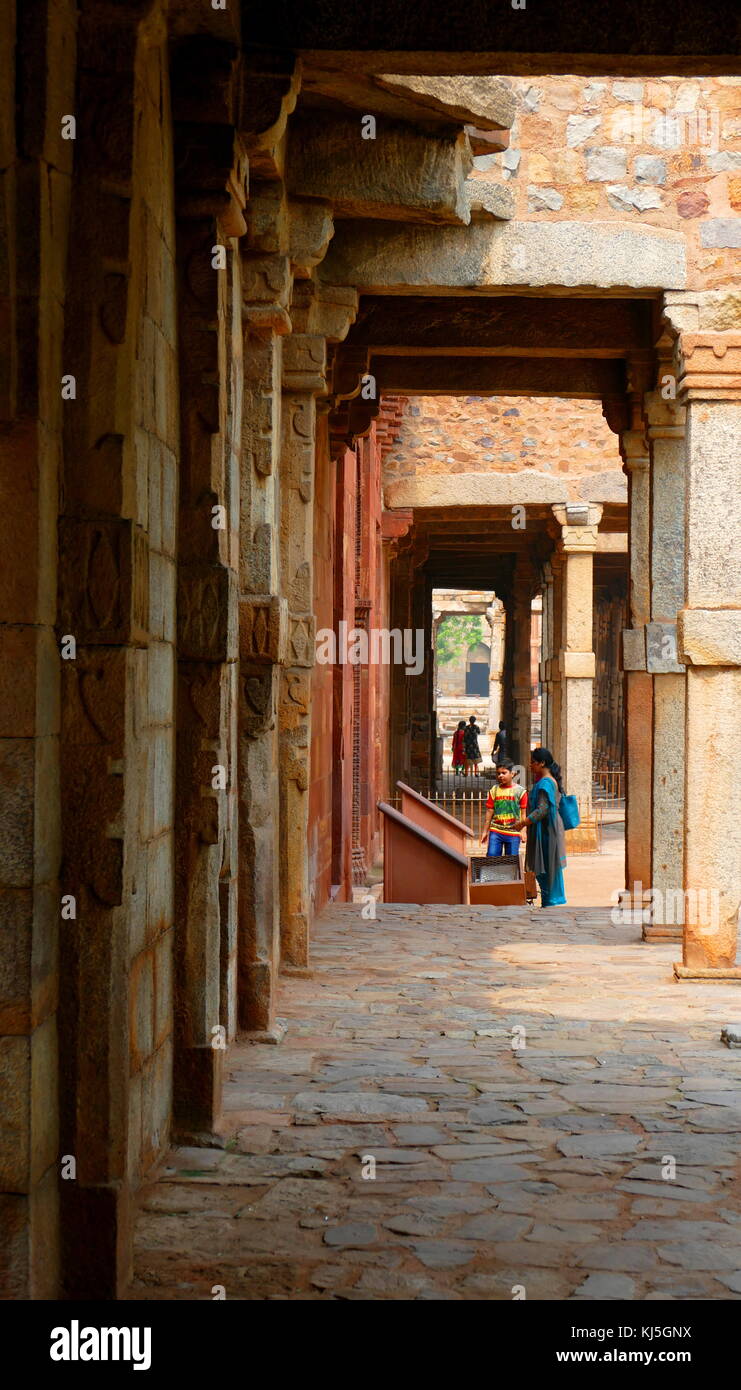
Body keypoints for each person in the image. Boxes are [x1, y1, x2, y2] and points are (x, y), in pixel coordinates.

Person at [517, 747, 567, 907]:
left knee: (544, 866)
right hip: (548, 828)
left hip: (546, 830)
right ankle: (548, 901)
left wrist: (523, 823)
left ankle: (548, 902)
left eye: (533, 762)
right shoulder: (549, 780)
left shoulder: (545, 782)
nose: (530, 765)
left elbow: (542, 810)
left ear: (542, 763)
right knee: (547, 865)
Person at [480, 759, 527, 858]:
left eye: (504, 773)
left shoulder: (521, 792)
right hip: (496, 831)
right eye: (498, 773)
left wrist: (523, 831)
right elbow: (489, 812)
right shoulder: (494, 790)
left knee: (511, 861)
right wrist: (485, 831)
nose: (500, 776)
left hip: (514, 832)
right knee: (492, 858)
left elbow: (523, 813)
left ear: (512, 774)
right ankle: (492, 874)